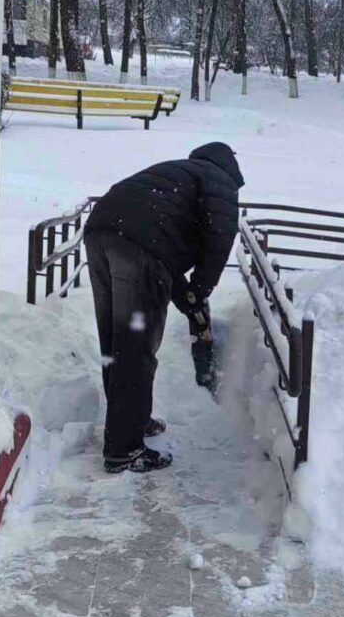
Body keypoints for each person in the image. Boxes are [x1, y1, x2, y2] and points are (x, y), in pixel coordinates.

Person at [84, 142, 245, 474]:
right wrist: (199, 294)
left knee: (116, 340)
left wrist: (186, 297)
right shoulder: (220, 184)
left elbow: (163, 246)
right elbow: (218, 242)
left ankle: (131, 423)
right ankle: (124, 449)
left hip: (101, 232)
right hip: (141, 246)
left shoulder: (179, 174)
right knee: (136, 345)